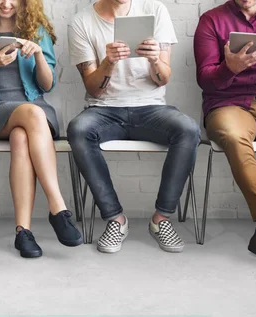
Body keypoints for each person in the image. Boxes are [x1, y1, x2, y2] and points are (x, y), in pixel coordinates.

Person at [67, 0, 200, 254]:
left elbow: (164, 78)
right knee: (79, 129)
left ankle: (161, 219)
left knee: (188, 129)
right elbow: (92, 88)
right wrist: (108, 62)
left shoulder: (155, 10)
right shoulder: (81, 22)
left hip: (150, 108)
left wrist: (153, 60)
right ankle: (116, 220)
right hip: (104, 109)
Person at [0, 0, 82, 258]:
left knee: (21, 137)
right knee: (32, 113)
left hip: (34, 112)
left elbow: (48, 86)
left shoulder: (37, 30)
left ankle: (23, 232)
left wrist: (39, 53)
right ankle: (58, 208)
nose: (6, 4)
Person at [195, 0, 256, 264]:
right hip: (226, 104)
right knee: (233, 136)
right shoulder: (211, 20)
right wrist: (229, 66)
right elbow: (204, 78)